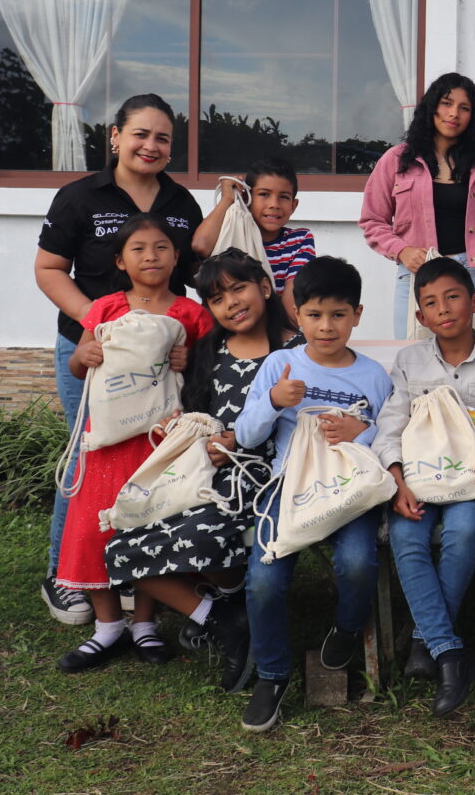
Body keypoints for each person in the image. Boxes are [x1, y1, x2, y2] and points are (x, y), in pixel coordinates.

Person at [34, 93, 203, 625]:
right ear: (115, 136)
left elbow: (193, 278)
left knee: (149, 460)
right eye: (141, 134)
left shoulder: (181, 204)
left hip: (159, 363)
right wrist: (100, 325)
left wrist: (186, 342)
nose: (151, 146)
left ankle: (138, 568)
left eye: (162, 139)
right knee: (89, 458)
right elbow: (49, 268)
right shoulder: (79, 197)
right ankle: (66, 576)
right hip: (92, 351)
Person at [105, 247, 300, 691]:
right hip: (202, 479)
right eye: (217, 298)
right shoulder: (209, 352)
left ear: (265, 287)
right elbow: (196, 410)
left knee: (201, 535)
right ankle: (225, 617)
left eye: (239, 288)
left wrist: (241, 440)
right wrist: (186, 429)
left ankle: (231, 603)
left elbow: (303, 422)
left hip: (265, 479)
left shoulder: (294, 350)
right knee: (120, 549)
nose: (231, 302)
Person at [235, 256, 394, 733]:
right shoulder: (280, 365)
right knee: (263, 581)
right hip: (290, 486)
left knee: (359, 563)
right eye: (315, 315)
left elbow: (388, 435)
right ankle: (271, 674)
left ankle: (347, 628)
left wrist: (360, 431)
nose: (326, 327)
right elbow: (245, 435)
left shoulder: (373, 375)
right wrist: (273, 402)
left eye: (339, 315)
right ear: (297, 315)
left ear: (358, 315)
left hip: (350, 491)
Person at [53, 214, 213, 674]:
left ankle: (144, 624)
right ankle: (107, 627)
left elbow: (204, 377)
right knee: (93, 529)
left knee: (148, 528)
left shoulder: (190, 313)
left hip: (160, 446)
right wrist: (83, 356)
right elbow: (80, 369)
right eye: (139, 249)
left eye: (161, 247)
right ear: (120, 261)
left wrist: (190, 358)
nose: (151, 256)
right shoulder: (103, 308)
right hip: (105, 444)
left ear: (176, 256)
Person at [371, 258, 475, 718]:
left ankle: (422, 641)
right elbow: (390, 423)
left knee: (464, 534)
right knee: (407, 539)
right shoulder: (409, 362)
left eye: (452, 297)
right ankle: (449, 653)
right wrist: (396, 479)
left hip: (472, 480)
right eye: (430, 302)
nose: (443, 309)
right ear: (420, 317)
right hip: (418, 478)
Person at [359, 72, 475, 338]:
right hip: (417, 277)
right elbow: (372, 221)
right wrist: (402, 250)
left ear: (472, 117)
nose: (454, 113)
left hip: (473, 279)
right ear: (431, 107)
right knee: (414, 361)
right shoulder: (397, 161)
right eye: (446, 103)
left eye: (464, 108)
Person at [193, 156, 317, 321]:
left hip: (275, 331)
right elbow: (201, 246)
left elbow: (291, 303)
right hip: (224, 332)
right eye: (264, 194)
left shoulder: (299, 240)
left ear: (293, 206)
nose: (274, 204)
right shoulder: (229, 232)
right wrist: (227, 199)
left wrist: (284, 344)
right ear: (247, 198)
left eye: (284, 197)